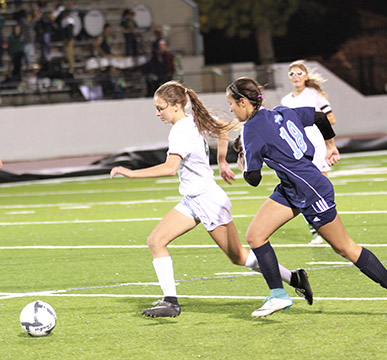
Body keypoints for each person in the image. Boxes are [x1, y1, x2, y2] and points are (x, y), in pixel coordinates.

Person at [110, 81, 313, 318]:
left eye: (160, 107)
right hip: (192, 199)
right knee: (156, 240)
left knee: (237, 256)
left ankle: (293, 277)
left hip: (207, 201)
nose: (157, 113)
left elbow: (170, 167)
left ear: (176, 105)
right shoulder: (190, 122)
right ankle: (170, 301)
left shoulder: (181, 130)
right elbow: (223, 130)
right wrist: (222, 162)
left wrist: (132, 172)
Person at [216, 76, 387, 318]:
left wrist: (243, 162)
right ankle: (278, 295)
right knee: (255, 236)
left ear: (243, 101)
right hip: (291, 188)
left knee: (345, 248)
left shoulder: (252, 129)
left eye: (231, 103)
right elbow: (318, 117)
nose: (231, 109)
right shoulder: (282, 111)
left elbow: (253, 180)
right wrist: (331, 145)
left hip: (310, 190)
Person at [281, 60, 337, 244]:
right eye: (292, 74)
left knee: (322, 184)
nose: (295, 77)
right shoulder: (286, 101)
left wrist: (330, 144)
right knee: (303, 186)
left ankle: (329, 226)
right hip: (299, 147)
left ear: (305, 76)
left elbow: (331, 118)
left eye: (299, 73)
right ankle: (314, 229)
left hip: (317, 144)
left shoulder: (314, 95)